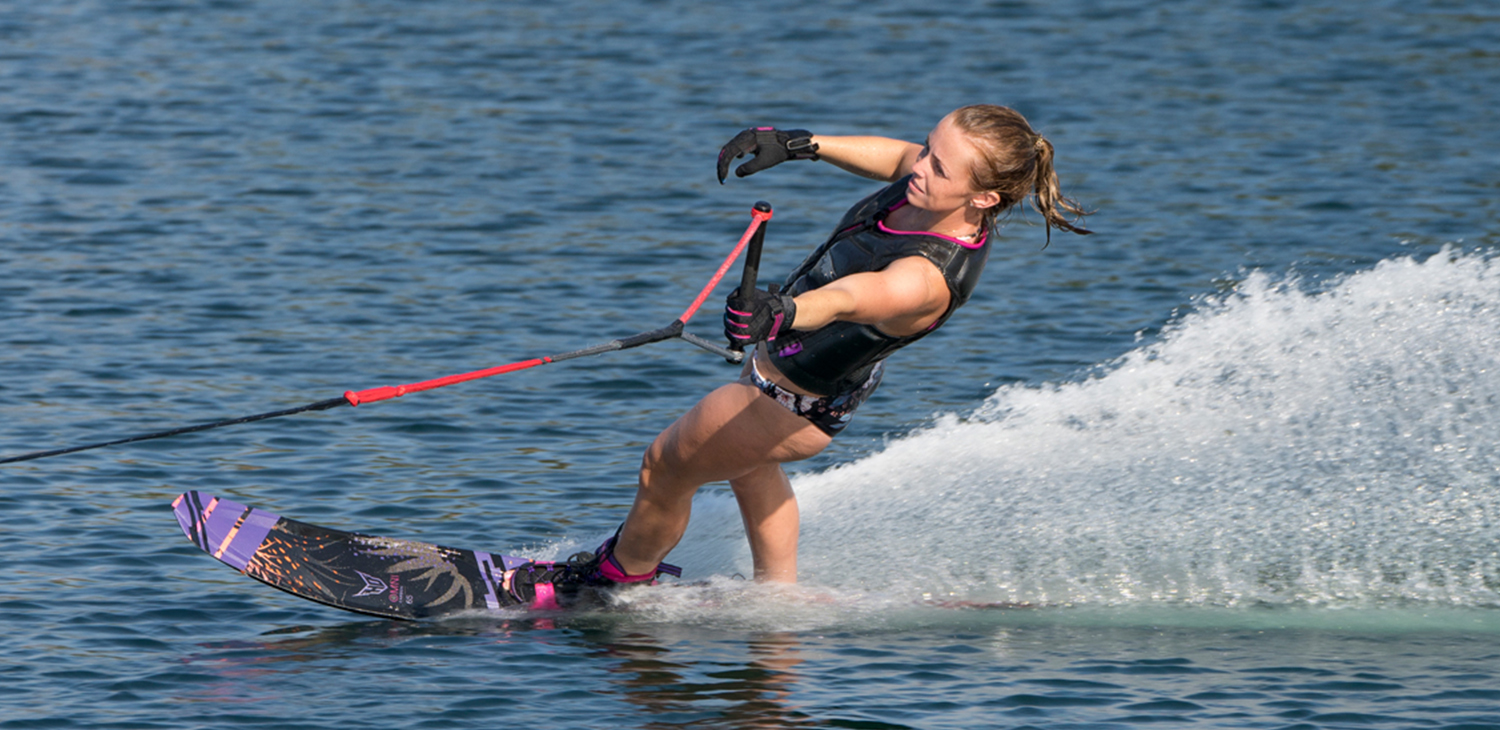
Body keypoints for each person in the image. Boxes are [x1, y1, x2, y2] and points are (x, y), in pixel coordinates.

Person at [504, 105, 1090, 607]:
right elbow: (894, 155)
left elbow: (852, 297)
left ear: (984, 196)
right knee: (749, 465)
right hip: (807, 369)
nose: (919, 165)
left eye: (938, 165)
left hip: (795, 396)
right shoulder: (934, 187)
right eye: (929, 148)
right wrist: (799, 144)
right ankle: (778, 598)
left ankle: (615, 581)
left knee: (666, 465)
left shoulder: (926, 277)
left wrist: (783, 312)